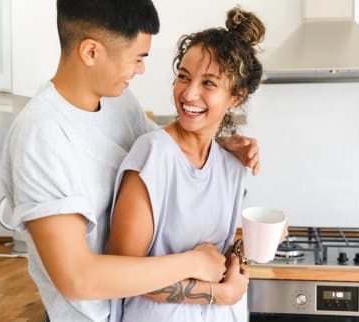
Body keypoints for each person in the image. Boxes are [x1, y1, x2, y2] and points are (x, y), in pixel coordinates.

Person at [0, 1, 260, 321]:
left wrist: (220, 144)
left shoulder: (117, 102)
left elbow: (169, 150)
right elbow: (78, 278)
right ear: (91, 52)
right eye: (137, 58)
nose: (141, 69)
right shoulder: (41, 137)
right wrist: (196, 268)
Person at [107, 6, 266, 322]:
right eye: (183, 76)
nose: (188, 93)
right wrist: (215, 293)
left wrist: (248, 244)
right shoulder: (152, 155)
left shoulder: (233, 167)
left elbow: (217, 258)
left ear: (236, 96)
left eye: (209, 83)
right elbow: (123, 273)